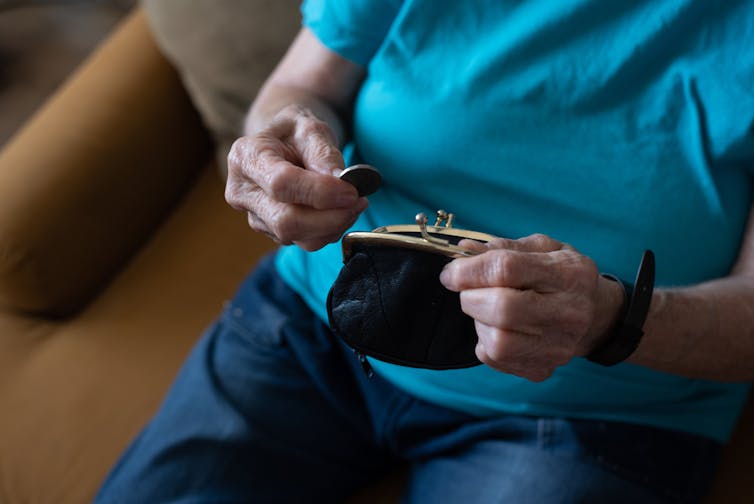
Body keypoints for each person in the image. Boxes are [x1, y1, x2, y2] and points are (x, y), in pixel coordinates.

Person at [95, 0, 754, 502]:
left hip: (588, 408)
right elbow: (304, 84)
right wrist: (279, 139)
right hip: (315, 325)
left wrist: (611, 317)